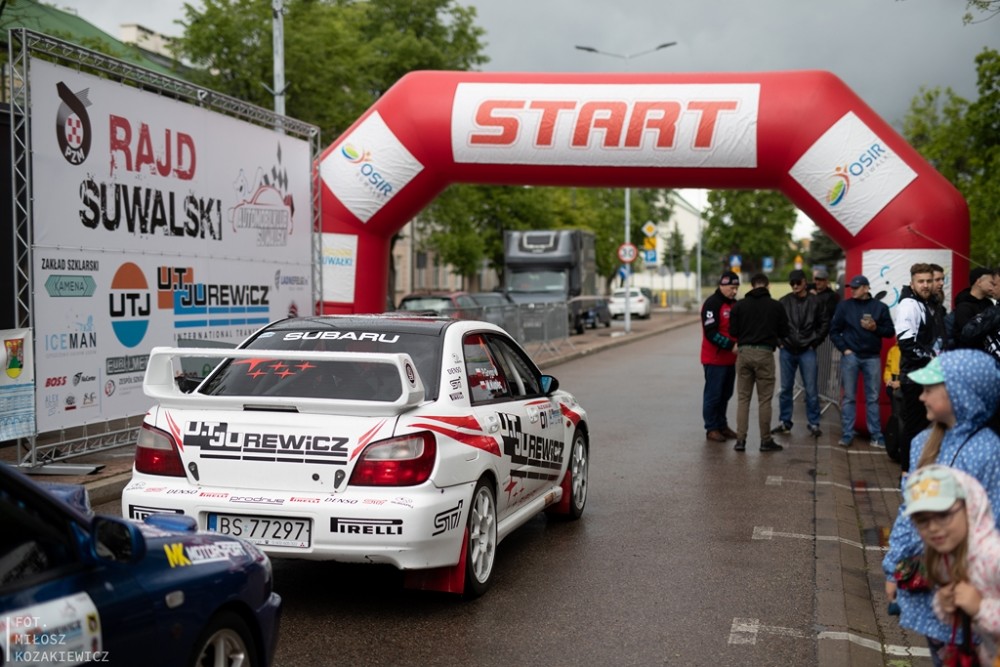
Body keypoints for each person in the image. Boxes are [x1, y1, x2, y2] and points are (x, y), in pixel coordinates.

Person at [882, 350, 1000, 663]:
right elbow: (908, 515)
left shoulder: (989, 450)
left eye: (930, 389)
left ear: (961, 394)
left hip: (974, 589)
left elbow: (995, 521)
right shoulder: (922, 443)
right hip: (933, 585)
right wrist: (894, 569)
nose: (921, 397)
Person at [900, 465, 1000, 666]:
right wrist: (945, 605)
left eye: (944, 515)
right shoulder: (947, 557)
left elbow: (978, 608)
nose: (933, 527)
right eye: (922, 520)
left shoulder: (993, 556)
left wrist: (980, 608)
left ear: (969, 506)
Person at [829, 274, 895, 447]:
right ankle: (847, 434)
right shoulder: (844, 306)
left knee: (873, 398)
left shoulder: (880, 307)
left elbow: (890, 331)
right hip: (851, 356)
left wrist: (875, 328)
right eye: (851, 287)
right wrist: (845, 349)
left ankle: (876, 435)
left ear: (866, 288)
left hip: (872, 357)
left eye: (856, 287)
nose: (852, 290)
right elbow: (833, 330)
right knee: (849, 397)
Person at [729, 272, 789, 453]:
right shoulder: (776, 306)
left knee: (743, 399)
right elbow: (784, 332)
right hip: (764, 353)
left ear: (751, 286)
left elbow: (733, 331)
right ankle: (765, 441)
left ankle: (740, 441)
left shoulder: (740, 306)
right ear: (768, 286)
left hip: (744, 352)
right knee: (764, 400)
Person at [895, 263, 943, 473]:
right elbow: (907, 345)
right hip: (915, 377)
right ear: (912, 283)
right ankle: (907, 474)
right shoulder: (909, 305)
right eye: (921, 281)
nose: (925, 285)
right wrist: (933, 357)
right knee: (914, 428)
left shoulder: (930, 303)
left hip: (929, 375)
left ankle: (919, 471)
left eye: (929, 281)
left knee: (926, 427)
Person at [772, 269, 829, 437]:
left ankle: (814, 423)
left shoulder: (816, 302)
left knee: (811, 389)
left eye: (798, 282)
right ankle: (785, 422)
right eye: (792, 283)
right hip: (787, 349)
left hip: (807, 349)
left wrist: (814, 342)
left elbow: (825, 323)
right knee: (785, 388)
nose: (795, 286)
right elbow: (774, 324)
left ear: (805, 282)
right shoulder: (784, 302)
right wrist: (780, 343)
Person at [700, 271, 740, 442]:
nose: (734, 291)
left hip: (730, 360)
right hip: (714, 359)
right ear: (722, 285)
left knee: (726, 394)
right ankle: (711, 428)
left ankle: (722, 425)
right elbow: (710, 332)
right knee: (713, 394)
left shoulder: (734, 304)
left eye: (737, 288)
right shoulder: (712, 304)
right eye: (732, 288)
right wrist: (730, 345)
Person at [951, 268, 995, 349]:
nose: (993, 286)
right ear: (979, 282)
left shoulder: (989, 304)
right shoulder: (963, 306)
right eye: (991, 283)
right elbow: (967, 334)